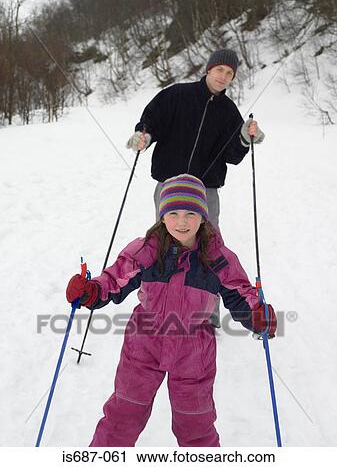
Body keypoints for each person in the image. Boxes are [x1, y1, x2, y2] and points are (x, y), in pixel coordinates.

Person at [66, 174, 277, 447]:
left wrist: (259, 315)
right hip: (144, 344)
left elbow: (240, 294)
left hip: (194, 352)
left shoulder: (217, 258)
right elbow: (114, 280)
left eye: (191, 213)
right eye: (173, 213)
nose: (181, 221)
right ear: (162, 216)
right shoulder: (146, 251)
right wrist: (91, 291)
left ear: (203, 216)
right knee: (123, 413)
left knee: (196, 424)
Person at [126, 48, 265, 327]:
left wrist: (244, 138)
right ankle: (158, 305)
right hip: (169, 186)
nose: (223, 77)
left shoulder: (228, 111)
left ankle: (205, 315)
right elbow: (152, 120)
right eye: (219, 70)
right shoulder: (177, 94)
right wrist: (143, 135)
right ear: (208, 69)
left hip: (205, 191)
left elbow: (232, 156)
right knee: (164, 243)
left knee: (207, 246)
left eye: (229, 73)